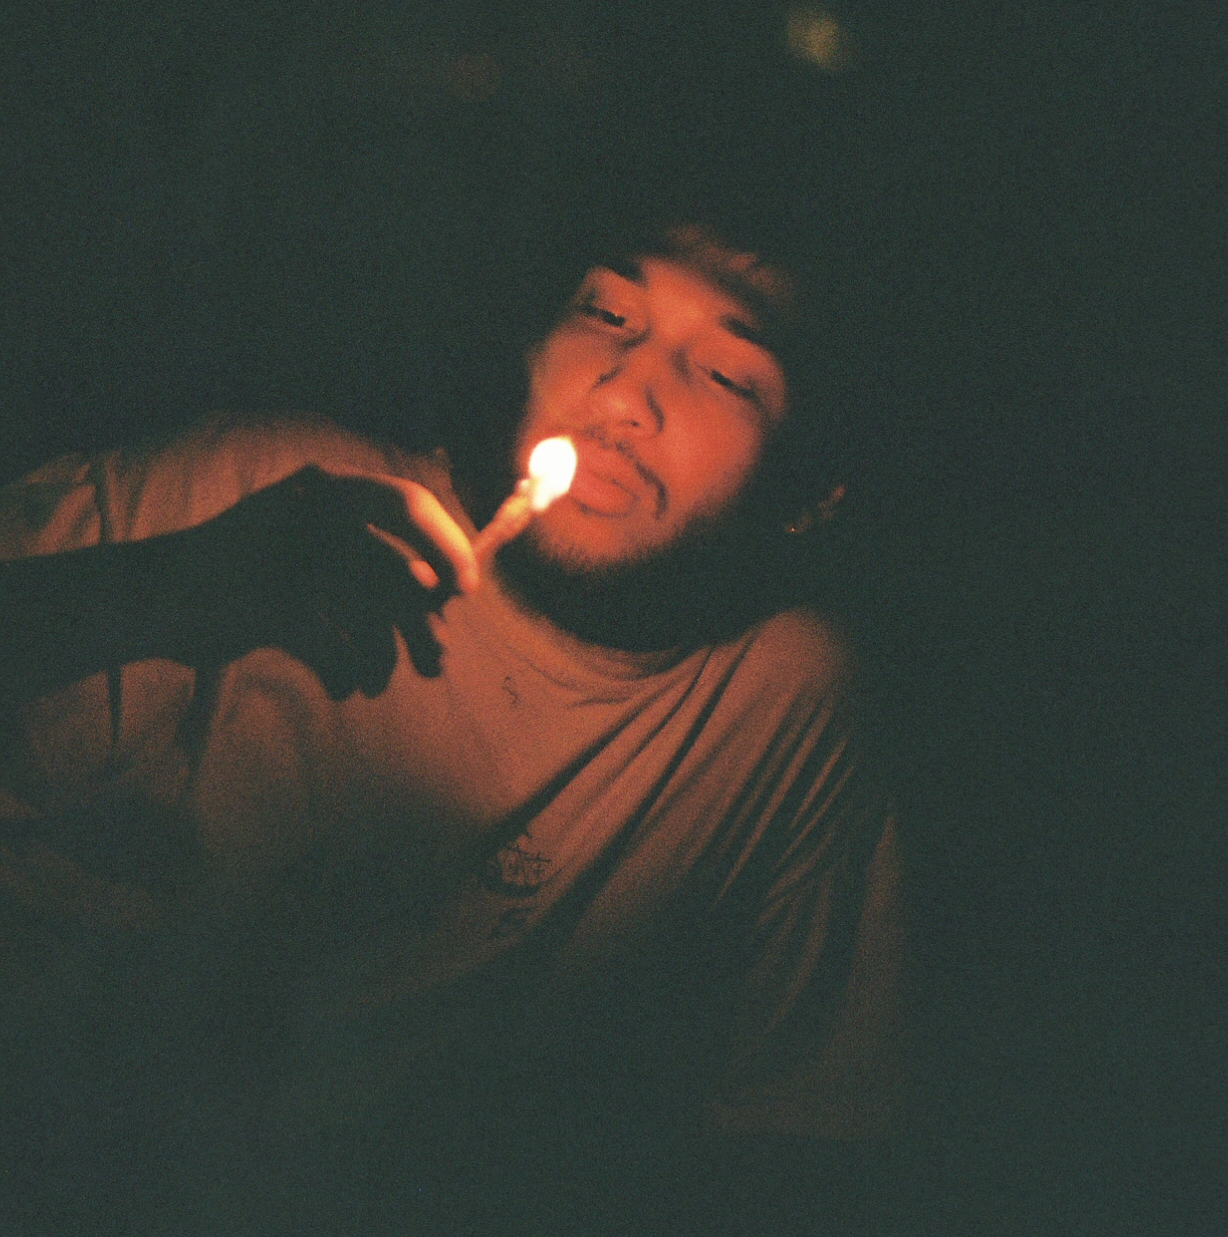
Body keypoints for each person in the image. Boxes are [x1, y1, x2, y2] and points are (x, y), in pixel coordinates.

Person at [0, 214, 904, 1235]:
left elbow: (798, 1143)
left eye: (728, 376)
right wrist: (172, 585)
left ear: (809, 495)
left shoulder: (782, 698)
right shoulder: (266, 490)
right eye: (608, 314)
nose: (622, 395)